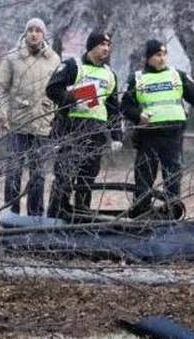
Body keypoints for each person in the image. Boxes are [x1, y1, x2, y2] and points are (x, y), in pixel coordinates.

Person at [121, 39, 194, 219]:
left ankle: (173, 213)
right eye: (157, 55)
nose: (162, 59)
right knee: (144, 177)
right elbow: (125, 106)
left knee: (173, 176)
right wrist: (138, 115)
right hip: (148, 136)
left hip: (173, 135)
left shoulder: (178, 76)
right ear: (148, 58)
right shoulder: (137, 79)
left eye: (164, 54)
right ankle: (140, 215)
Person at [45, 32, 123, 220]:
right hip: (72, 128)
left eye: (108, 44)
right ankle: (55, 216)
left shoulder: (110, 74)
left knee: (88, 178)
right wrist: (72, 99)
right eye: (102, 44)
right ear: (91, 46)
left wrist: (116, 136)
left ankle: (80, 218)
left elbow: (113, 108)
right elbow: (52, 88)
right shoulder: (73, 66)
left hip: (96, 131)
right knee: (64, 175)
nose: (106, 48)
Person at [0, 18, 61, 216]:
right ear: (25, 33)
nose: (34, 34)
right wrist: (1, 113)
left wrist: (56, 117)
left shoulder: (54, 59)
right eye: (30, 30)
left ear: (44, 34)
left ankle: (35, 217)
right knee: (13, 172)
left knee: (38, 175)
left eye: (38, 30)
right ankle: (10, 215)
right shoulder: (12, 57)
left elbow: (58, 90)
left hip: (43, 125)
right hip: (18, 123)